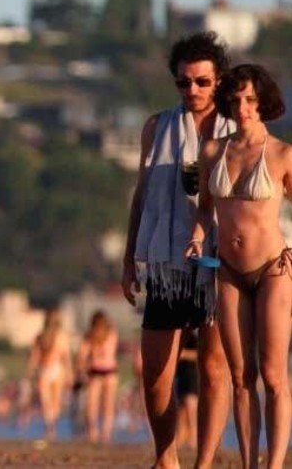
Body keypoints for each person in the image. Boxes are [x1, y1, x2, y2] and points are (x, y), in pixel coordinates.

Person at [122, 31, 233, 468]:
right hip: (166, 262)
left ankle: (204, 462)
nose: (193, 91)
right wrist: (130, 257)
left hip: (219, 261)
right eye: (184, 82)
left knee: (213, 368)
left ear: (219, 81)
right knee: (154, 375)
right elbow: (143, 192)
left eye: (202, 82)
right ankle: (167, 457)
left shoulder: (236, 130)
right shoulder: (158, 127)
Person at [186, 63, 292, 469]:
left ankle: (276, 464)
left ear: (263, 100)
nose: (242, 107)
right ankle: (250, 463)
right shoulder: (213, 150)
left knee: (273, 373)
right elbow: (205, 208)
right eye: (235, 100)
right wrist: (196, 239)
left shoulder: (282, 154)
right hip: (226, 268)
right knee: (239, 375)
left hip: (273, 270)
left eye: (249, 99)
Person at [26, 309, 72, 440]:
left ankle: (51, 426)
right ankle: (50, 426)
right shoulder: (41, 336)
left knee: (52, 401)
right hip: (47, 370)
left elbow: (65, 357)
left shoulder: (59, 336)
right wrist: (30, 370)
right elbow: (35, 356)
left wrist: (69, 373)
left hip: (53, 369)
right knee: (48, 401)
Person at [76, 310, 118, 444]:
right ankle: (105, 433)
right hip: (109, 371)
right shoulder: (111, 334)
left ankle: (94, 432)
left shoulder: (90, 337)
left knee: (93, 405)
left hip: (96, 371)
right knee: (107, 405)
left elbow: (82, 357)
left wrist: (81, 371)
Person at [174, 329, 198, 450]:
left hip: (193, 376)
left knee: (190, 407)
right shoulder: (180, 336)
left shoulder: (194, 336)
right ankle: (180, 440)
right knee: (181, 411)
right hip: (182, 375)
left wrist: (183, 354)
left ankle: (193, 440)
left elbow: (201, 354)